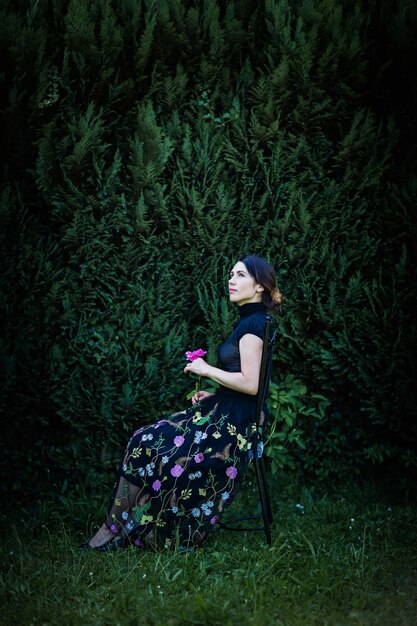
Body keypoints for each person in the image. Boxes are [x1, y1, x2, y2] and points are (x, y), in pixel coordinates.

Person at [83, 255, 283, 551]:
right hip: (227, 410)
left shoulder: (253, 325)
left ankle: (119, 529)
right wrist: (216, 394)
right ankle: (120, 527)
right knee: (145, 440)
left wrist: (206, 370)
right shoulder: (251, 321)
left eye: (240, 275)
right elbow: (252, 383)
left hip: (236, 424)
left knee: (148, 443)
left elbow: (252, 385)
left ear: (259, 287)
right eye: (231, 274)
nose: (231, 280)